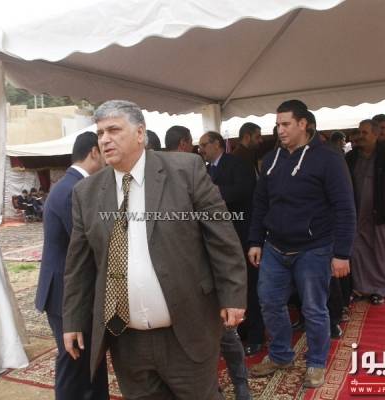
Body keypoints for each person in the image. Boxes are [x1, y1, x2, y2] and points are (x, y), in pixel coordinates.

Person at [62, 100, 247, 400]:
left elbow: (221, 238)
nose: (105, 139)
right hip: (127, 341)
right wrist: (72, 320)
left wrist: (233, 296)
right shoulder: (86, 193)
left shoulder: (185, 170)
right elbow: (79, 266)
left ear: (140, 133)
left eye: (113, 130)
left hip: (186, 329)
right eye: (100, 133)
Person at [247, 100, 356, 388]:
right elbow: (260, 203)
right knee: (270, 302)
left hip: (314, 248)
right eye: (277, 125)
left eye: (286, 124)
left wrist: (342, 253)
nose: (280, 130)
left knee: (314, 309)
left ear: (303, 124)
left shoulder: (329, 158)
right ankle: (280, 355)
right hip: (274, 246)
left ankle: (316, 363)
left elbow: (345, 208)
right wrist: (255, 240)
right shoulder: (271, 159)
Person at [35, 132, 107, 400]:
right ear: (94, 152)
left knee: (88, 358)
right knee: (74, 361)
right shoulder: (73, 190)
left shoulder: (70, 185)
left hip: (68, 289)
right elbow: (89, 243)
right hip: (65, 293)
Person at [194, 131, 255, 399]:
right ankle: (212, 387)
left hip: (218, 265)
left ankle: (241, 383)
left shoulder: (233, 167)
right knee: (201, 341)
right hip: (193, 273)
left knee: (228, 335)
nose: (201, 150)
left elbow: (226, 248)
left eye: (204, 145)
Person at [347, 120, 385, 302]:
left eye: (364, 133)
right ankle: (361, 288)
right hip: (357, 213)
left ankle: (381, 289)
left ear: (375, 134)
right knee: (359, 250)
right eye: (359, 132)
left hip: (381, 213)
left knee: (382, 251)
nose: (360, 136)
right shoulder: (351, 156)